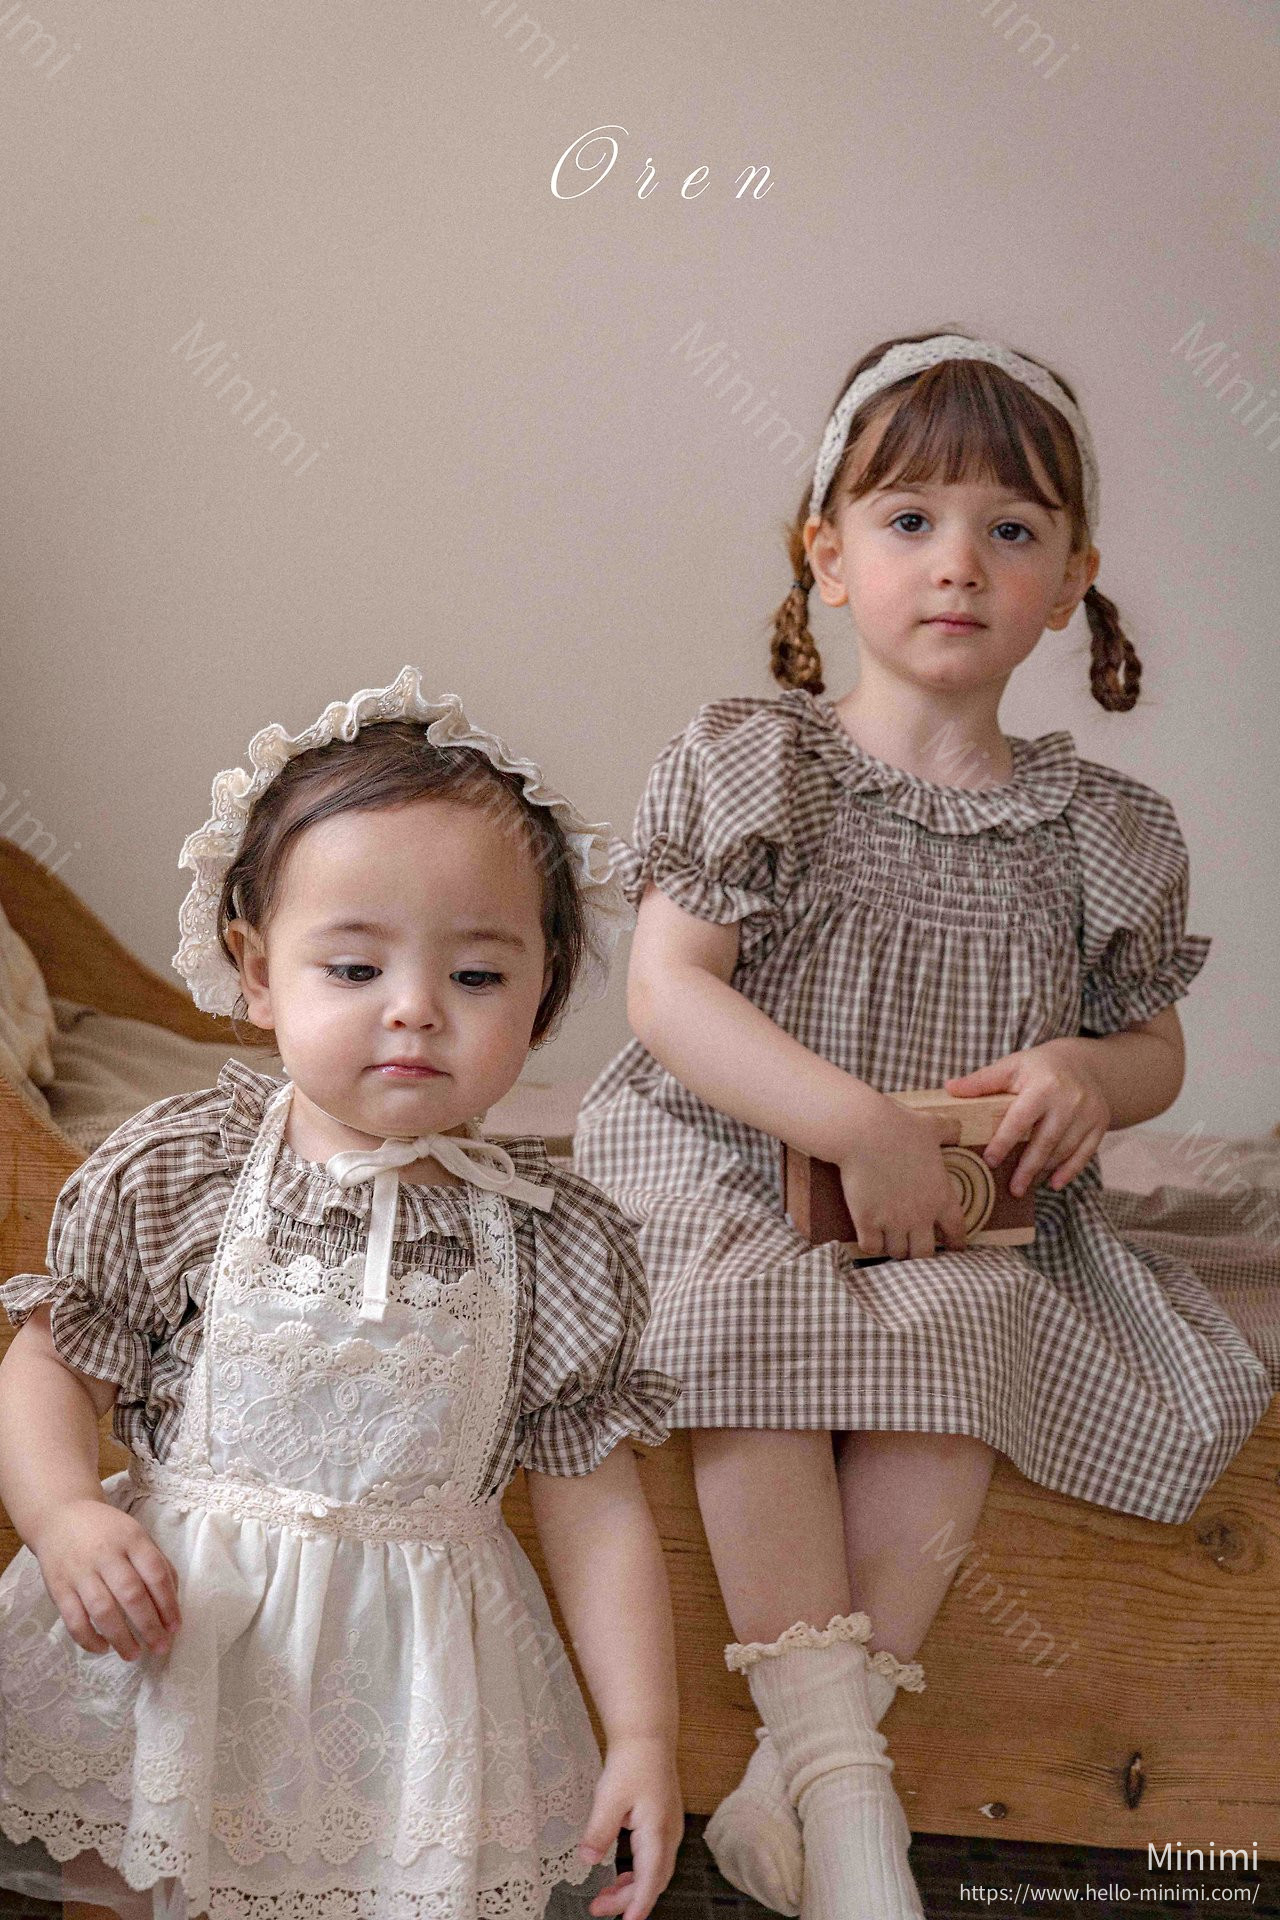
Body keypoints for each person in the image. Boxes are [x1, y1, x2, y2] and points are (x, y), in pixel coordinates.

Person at [572, 332, 1274, 1920]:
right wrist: (845, 1124)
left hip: (959, 1203)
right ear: (828, 558)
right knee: (743, 1313)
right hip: (735, 1160)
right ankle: (854, 1808)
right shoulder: (762, 763)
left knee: (969, 1334)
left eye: (1010, 529)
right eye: (909, 520)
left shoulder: (1106, 832)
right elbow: (670, 993)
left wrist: (1092, 1076)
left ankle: (801, 1784)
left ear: (1070, 583)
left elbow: (1154, 1044)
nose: (958, 561)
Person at [0, 669, 684, 1920]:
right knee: (131, 1886)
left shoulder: (555, 1239)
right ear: (258, 973)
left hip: (412, 1699)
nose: (414, 1010)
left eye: (476, 978)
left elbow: (595, 1509)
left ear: (542, 993)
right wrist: (61, 1514)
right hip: (179, 1649)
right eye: (356, 966)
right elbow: (51, 1358)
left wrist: (642, 1733)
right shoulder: (184, 1171)